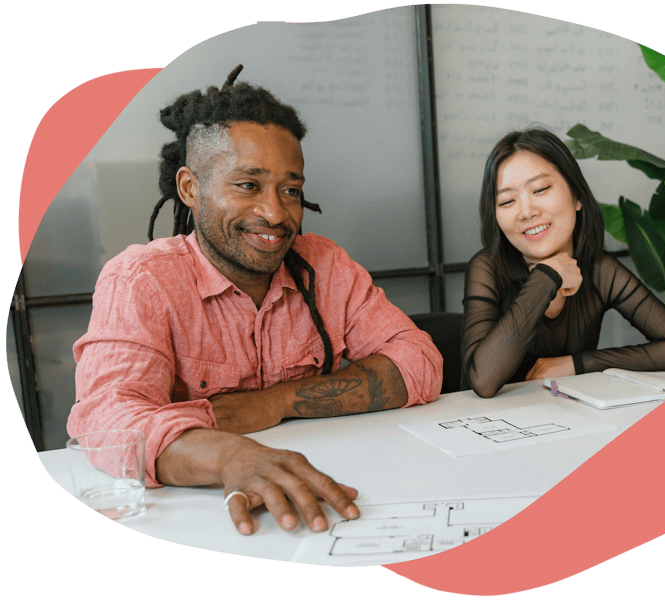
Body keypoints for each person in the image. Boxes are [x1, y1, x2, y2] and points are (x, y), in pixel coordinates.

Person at [68, 65, 442, 535]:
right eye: (248, 185)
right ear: (190, 188)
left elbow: (419, 362)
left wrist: (276, 402)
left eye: (291, 190)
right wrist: (228, 454)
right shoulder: (141, 279)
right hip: (197, 523)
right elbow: (109, 421)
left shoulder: (323, 264)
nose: (275, 213)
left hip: (343, 494)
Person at [461, 128, 665, 398]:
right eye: (506, 201)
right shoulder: (487, 268)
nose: (527, 212)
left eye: (540, 189)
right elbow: (483, 380)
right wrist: (547, 277)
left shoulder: (598, 270)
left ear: (577, 196)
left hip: (571, 420)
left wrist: (579, 364)